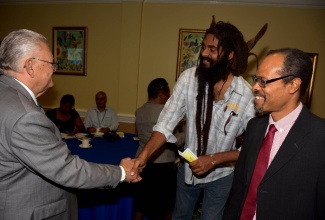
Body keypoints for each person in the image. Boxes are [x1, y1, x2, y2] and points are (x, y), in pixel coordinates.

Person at [131, 17, 263, 220]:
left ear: (229, 54)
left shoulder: (246, 95)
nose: (203, 54)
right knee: (180, 216)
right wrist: (142, 158)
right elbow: (165, 123)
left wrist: (213, 160)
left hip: (222, 176)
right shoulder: (188, 79)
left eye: (212, 49)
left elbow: (254, 148)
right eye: (203, 47)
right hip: (187, 171)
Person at [0, 29, 140, 219]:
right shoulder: (24, 115)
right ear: (30, 66)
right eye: (51, 62)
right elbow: (66, 170)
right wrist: (122, 172)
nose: (54, 69)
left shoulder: (7, 95)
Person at [223, 48, 325, 220]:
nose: (255, 87)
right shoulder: (254, 127)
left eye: (263, 81)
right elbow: (240, 188)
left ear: (293, 85)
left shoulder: (320, 136)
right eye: (256, 79)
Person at [133, 78, 184, 220]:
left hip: (143, 163)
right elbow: (176, 142)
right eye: (168, 94)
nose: (169, 98)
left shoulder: (139, 111)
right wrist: (184, 132)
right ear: (162, 94)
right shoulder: (166, 112)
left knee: (140, 206)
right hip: (163, 166)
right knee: (166, 208)